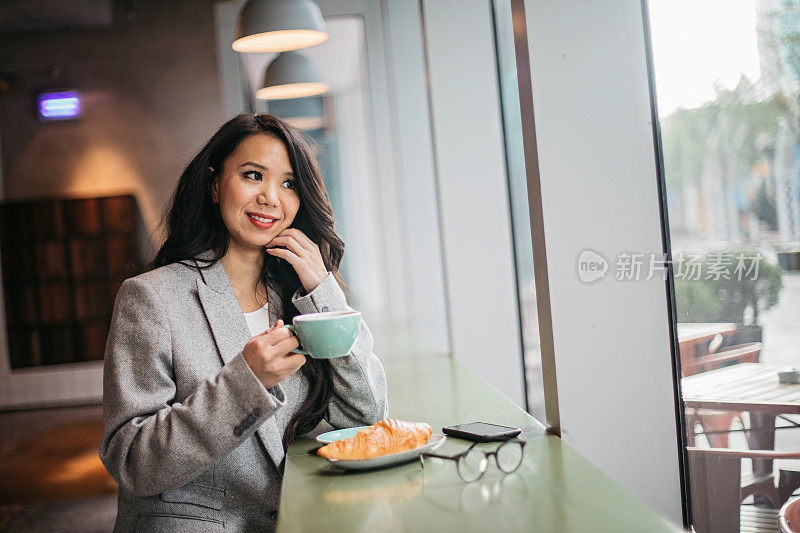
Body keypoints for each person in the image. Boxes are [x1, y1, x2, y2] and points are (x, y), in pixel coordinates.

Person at [99, 113, 388, 532]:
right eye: (253, 175)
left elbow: (365, 414)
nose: (271, 197)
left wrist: (323, 289)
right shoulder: (150, 298)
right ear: (215, 185)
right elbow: (133, 460)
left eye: (289, 183)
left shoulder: (299, 297)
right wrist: (245, 383)